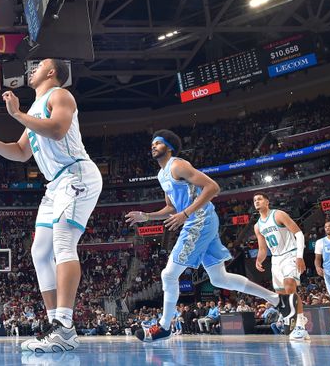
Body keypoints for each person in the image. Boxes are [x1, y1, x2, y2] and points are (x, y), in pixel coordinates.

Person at [0, 59, 103, 352]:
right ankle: (53, 326)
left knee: (62, 242)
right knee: (40, 251)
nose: (32, 69)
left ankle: (65, 325)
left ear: (51, 72)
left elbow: (57, 130)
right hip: (55, 184)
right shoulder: (34, 110)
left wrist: (17, 114)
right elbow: (21, 152)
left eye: (39, 65)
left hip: (76, 173)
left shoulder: (60, 95)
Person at [126, 130, 294, 343]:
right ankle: (278, 300)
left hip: (199, 221)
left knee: (169, 275)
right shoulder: (162, 175)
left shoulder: (178, 165)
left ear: (168, 147)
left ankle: (164, 327)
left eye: (158, 143)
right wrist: (147, 216)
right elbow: (171, 207)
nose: (153, 146)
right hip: (201, 221)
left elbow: (213, 187)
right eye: (152, 143)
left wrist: (186, 213)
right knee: (219, 278)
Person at [253, 192, 309, 340]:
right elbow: (263, 249)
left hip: (290, 253)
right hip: (276, 260)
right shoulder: (257, 226)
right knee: (283, 295)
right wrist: (259, 260)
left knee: (290, 286)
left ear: (267, 201)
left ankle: (300, 326)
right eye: (254, 200)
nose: (256, 202)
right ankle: (298, 321)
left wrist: (299, 256)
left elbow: (299, 234)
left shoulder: (278, 215)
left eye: (259, 199)